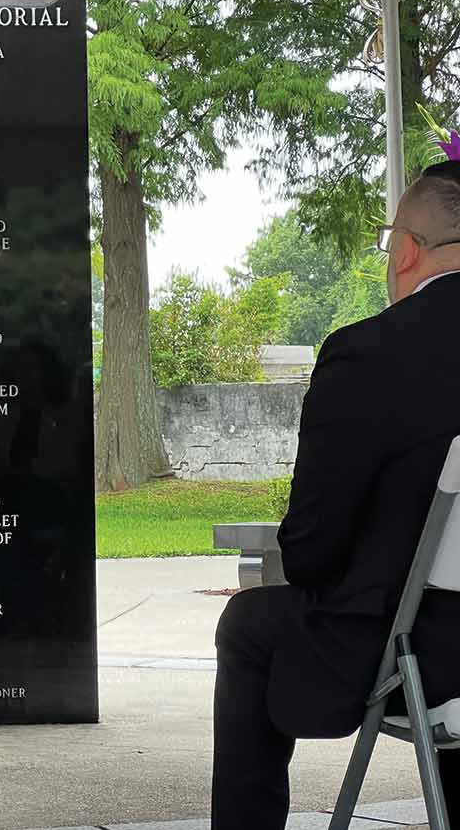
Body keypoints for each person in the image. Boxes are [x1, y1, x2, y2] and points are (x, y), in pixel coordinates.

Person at [211, 162, 460, 828]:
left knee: (249, 624)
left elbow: (313, 550)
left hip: (417, 651)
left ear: (406, 251)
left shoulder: (369, 354)